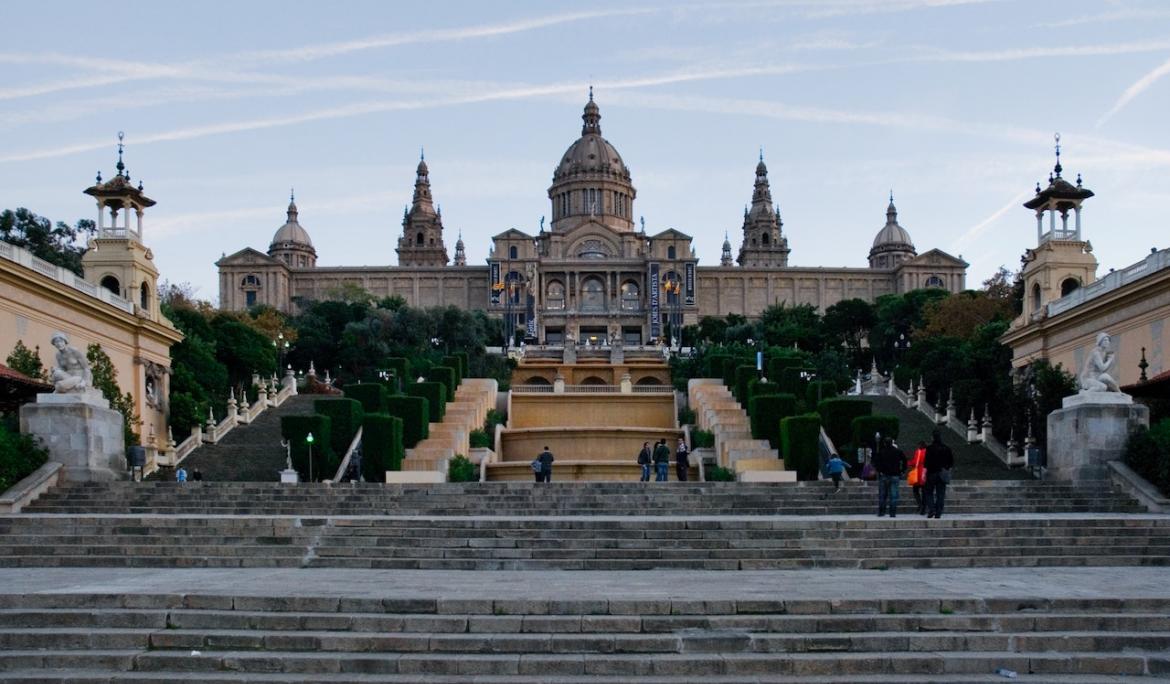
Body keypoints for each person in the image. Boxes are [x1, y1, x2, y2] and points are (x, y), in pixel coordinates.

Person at [923, 430, 955, 519]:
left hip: (931, 474)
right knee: (940, 494)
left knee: (928, 492)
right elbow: (951, 462)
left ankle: (931, 509)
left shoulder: (929, 448)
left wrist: (923, 474)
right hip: (942, 474)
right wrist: (946, 469)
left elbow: (926, 462)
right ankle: (938, 513)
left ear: (932, 438)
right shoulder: (946, 448)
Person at [873, 437, 906, 517]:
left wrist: (879, 470)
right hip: (895, 475)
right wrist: (902, 471)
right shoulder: (898, 451)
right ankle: (892, 513)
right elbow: (905, 460)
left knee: (882, 495)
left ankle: (882, 512)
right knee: (893, 495)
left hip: (884, 475)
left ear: (884, 443)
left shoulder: (881, 452)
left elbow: (876, 462)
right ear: (892, 443)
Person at [907, 441, 927, 515]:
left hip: (918, 474)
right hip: (925, 474)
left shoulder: (919, 452)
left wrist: (908, 463)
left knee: (915, 491)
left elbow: (915, 462)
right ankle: (924, 507)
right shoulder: (927, 452)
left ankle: (920, 505)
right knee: (924, 492)